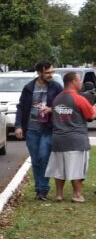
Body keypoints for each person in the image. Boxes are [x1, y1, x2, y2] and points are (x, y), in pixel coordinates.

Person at [15, 61, 63, 201]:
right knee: (36, 160)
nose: (50, 75)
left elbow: (65, 106)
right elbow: (21, 107)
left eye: (52, 72)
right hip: (32, 130)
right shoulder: (29, 87)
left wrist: (51, 110)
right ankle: (39, 190)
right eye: (47, 73)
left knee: (44, 158)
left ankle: (43, 189)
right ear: (39, 73)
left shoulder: (56, 87)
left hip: (48, 129)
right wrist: (18, 126)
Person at [47, 71, 95, 202]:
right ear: (73, 81)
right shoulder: (79, 98)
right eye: (79, 80)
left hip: (58, 139)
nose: (81, 83)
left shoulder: (57, 98)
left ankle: (59, 194)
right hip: (76, 139)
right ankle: (77, 195)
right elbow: (91, 116)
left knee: (59, 168)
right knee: (78, 168)